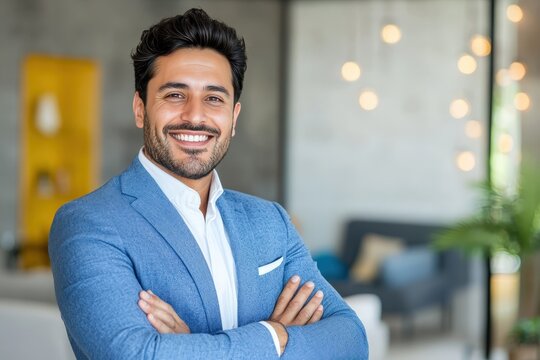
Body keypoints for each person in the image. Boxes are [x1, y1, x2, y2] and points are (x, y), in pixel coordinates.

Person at [49, 8, 367, 360]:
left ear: (233, 117)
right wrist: (273, 335)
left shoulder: (270, 222)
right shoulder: (88, 223)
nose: (195, 115)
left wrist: (192, 343)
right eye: (174, 95)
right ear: (140, 108)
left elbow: (351, 340)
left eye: (214, 98)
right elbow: (135, 355)